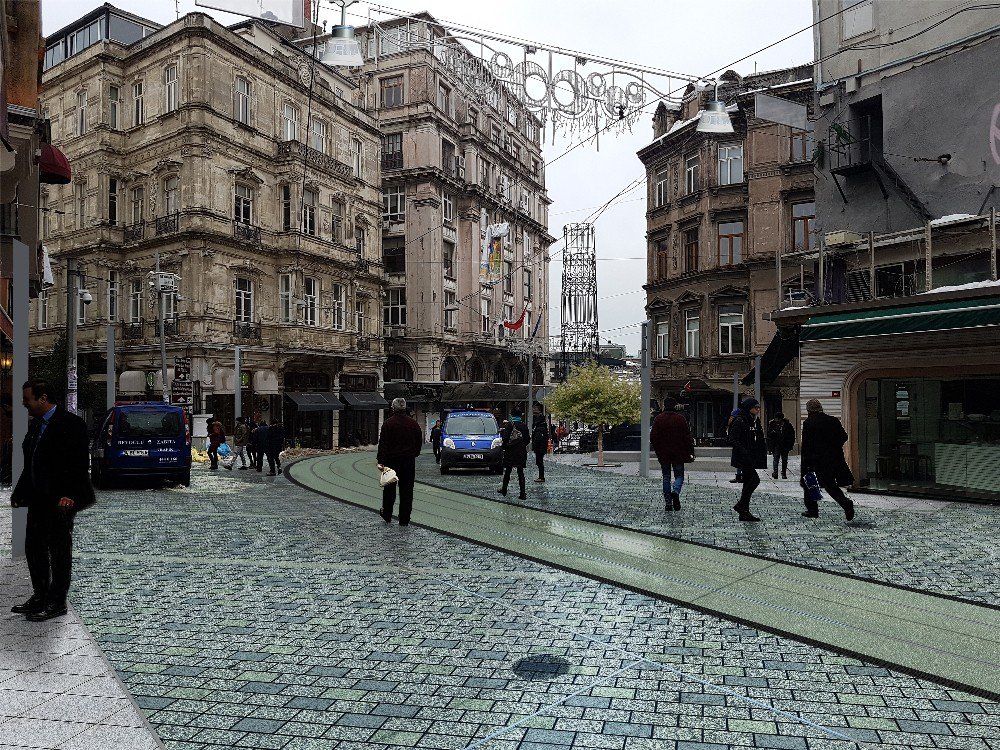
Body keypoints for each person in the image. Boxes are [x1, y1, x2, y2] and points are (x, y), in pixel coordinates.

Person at [10, 380, 95, 621]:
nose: (24, 403)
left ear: (43, 398)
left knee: (59, 552)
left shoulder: (71, 424)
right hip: (38, 498)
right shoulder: (37, 426)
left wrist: (70, 495)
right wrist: (20, 492)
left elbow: (78, 465)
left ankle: (57, 602)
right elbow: (32, 463)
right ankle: (40, 595)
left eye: (28, 399)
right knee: (34, 548)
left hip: (61, 501)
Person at [800, 399, 855, 520]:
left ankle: (813, 510)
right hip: (833, 459)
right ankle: (845, 503)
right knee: (830, 484)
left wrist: (807, 461)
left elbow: (807, 445)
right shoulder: (833, 420)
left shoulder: (809, 422)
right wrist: (833, 447)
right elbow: (843, 437)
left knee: (809, 484)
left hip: (816, 460)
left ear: (809, 410)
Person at [377, 398, 423, 525]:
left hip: (391, 461)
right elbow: (419, 443)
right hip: (408, 461)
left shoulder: (388, 423)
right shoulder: (414, 424)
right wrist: (414, 454)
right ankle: (404, 518)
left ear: (393, 408)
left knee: (389, 489)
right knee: (407, 491)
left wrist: (381, 461)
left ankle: (387, 514)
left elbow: (383, 444)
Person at [650, 397, 695, 511]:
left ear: (665, 405)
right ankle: (675, 490)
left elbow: (653, 437)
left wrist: (658, 450)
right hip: (678, 453)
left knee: (666, 477)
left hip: (664, 453)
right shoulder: (680, 419)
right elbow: (687, 437)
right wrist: (691, 452)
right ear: (675, 406)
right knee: (679, 476)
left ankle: (668, 504)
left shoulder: (658, 419)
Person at [728, 398, 768, 522]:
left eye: (758, 407)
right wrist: (744, 450)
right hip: (743, 457)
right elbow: (732, 439)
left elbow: (759, 437)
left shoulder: (754, 420)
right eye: (755, 407)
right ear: (748, 408)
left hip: (751, 457)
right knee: (754, 480)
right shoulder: (740, 420)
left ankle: (744, 511)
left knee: (748, 482)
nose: (758, 409)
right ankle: (741, 505)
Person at [498, 411, 529, 500]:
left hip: (510, 452)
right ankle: (522, 493)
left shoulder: (509, 425)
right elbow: (527, 439)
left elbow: (505, 438)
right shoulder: (524, 426)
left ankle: (504, 489)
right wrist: (522, 446)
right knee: (520, 472)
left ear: (512, 416)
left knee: (508, 471)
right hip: (521, 452)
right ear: (520, 416)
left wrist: (506, 447)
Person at [767, 412, 796, 480]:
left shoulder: (787, 425)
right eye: (776, 418)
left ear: (781, 419)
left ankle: (783, 473)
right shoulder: (772, 424)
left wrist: (790, 444)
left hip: (785, 445)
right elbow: (769, 435)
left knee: (784, 459)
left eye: (778, 419)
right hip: (776, 445)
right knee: (776, 459)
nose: (777, 420)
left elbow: (791, 435)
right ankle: (775, 473)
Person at [530, 411, 549, 482]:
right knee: (539, 462)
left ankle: (541, 477)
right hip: (541, 448)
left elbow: (538, 439)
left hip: (539, 449)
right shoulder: (543, 427)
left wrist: (534, 446)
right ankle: (541, 477)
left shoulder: (539, 429)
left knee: (539, 462)